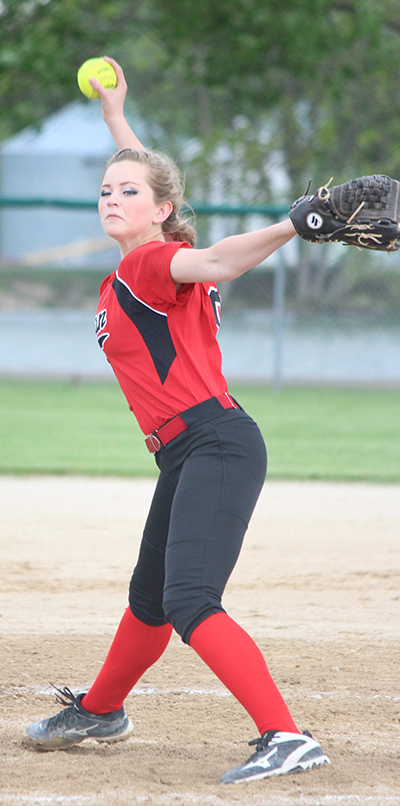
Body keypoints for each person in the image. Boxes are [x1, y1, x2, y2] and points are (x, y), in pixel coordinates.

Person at [23, 57, 330, 785]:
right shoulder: (143, 263)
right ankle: (101, 709)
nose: (110, 197)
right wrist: (114, 119)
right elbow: (154, 190)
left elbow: (219, 261)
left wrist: (294, 223)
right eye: (103, 190)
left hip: (214, 442)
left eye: (125, 193)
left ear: (159, 209)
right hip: (189, 450)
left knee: (190, 599)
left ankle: (286, 736)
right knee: (151, 597)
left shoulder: (151, 266)